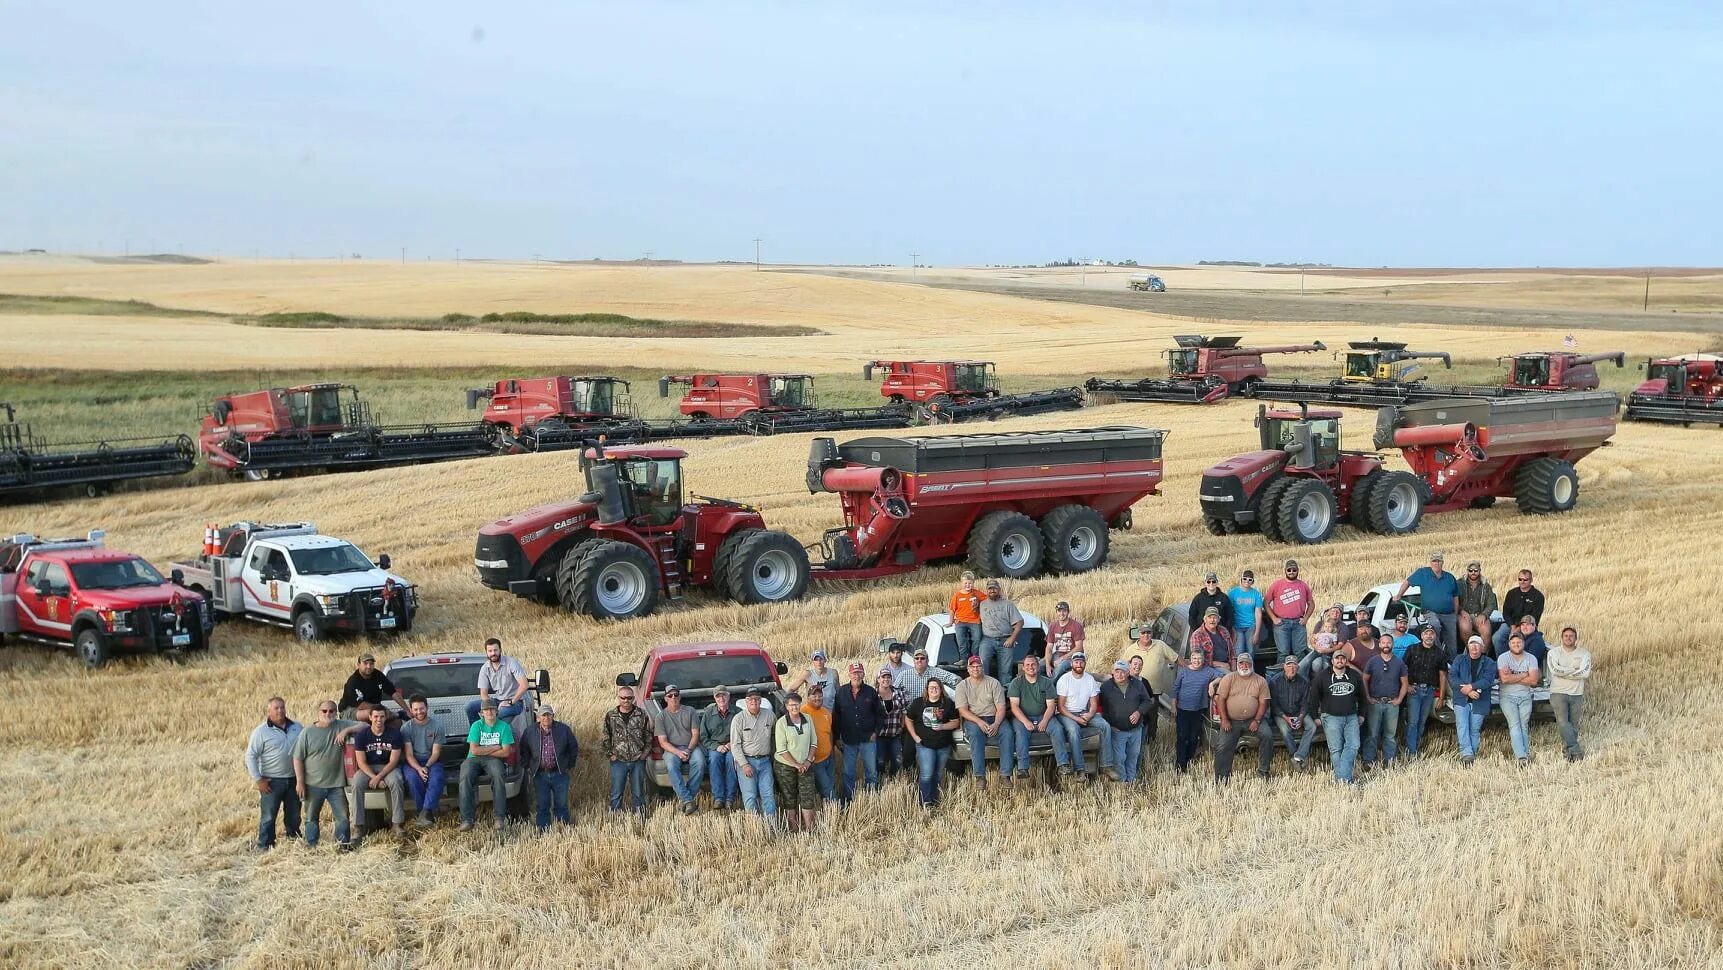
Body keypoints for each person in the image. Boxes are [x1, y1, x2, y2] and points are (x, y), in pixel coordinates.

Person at [291, 700, 363, 850]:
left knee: (343, 817)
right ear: (318, 713)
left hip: (336, 784)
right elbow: (297, 758)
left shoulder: (341, 725)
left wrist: (346, 731)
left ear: (336, 713)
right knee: (311, 818)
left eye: (331, 711)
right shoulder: (307, 732)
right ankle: (312, 845)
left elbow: (366, 726)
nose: (328, 714)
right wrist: (300, 781)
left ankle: (342, 845)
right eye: (324, 711)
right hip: (313, 784)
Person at [245, 696, 303, 851]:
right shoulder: (261, 732)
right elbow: (250, 756)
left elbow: (305, 750)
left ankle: (294, 840)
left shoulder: (297, 728)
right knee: (269, 816)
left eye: (282, 707)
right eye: (276, 708)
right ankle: (265, 845)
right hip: (272, 781)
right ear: (268, 711)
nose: (280, 711)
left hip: (294, 779)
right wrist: (258, 780)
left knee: (294, 814)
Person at [350, 704, 407, 839]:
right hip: (368, 768)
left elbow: (393, 761)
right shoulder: (362, 736)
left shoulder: (394, 734)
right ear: (370, 717)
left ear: (386, 717)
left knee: (397, 781)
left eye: (382, 716)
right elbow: (361, 762)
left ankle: (397, 824)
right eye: (375, 716)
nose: (378, 720)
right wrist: (373, 777)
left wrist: (380, 776)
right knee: (357, 783)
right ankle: (358, 827)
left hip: (388, 767)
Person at [1212, 653, 1272, 782]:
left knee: (1267, 735)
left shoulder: (1260, 680)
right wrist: (1225, 719)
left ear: (1252, 664)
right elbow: (1220, 700)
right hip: (1231, 720)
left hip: (1253, 719)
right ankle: (1222, 778)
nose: (1244, 666)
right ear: (1237, 664)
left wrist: (1257, 720)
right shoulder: (1229, 678)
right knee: (1222, 746)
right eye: (1241, 663)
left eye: (1247, 663)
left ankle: (1263, 772)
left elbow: (1264, 703)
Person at [1310, 648, 1366, 784]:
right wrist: (1315, 716)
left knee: (1353, 745)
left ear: (1346, 661)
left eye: (1342, 658)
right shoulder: (1322, 676)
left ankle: (1342, 778)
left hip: (1351, 716)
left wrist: (1362, 714)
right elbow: (1313, 697)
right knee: (1336, 749)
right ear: (1332, 661)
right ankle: (1344, 780)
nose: (1340, 660)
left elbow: (1363, 696)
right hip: (1331, 717)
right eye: (1337, 658)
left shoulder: (1354, 675)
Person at [518, 705, 578, 831]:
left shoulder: (563, 729)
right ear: (538, 717)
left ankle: (563, 827)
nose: (546, 717)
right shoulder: (529, 731)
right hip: (540, 774)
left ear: (553, 716)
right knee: (542, 804)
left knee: (561, 803)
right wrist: (528, 766)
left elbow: (573, 747)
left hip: (559, 773)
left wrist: (569, 764)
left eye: (548, 714)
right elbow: (523, 750)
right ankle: (543, 829)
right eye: (543, 715)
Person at [458, 699, 516, 831]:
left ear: (496, 711)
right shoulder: (476, 726)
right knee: (465, 777)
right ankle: (467, 819)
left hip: (493, 759)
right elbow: (474, 750)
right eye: (486, 710)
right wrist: (495, 747)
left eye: (492, 709)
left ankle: (499, 818)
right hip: (473, 759)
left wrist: (485, 749)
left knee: (498, 776)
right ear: (481, 713)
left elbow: (506, 752)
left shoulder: (504, 727)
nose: (489, 712)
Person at [955, 655, 1012, 785]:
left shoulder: (993, 683)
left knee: (1007, 734)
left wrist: (997, 723)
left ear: (983, 667)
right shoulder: (962, 686)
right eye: (972, 666)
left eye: (978, 666)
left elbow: (1001, 707)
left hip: (994, 716)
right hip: (973, 718)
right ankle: (980, 776)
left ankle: (1005, 775)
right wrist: (979, 722)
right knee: (975, 735)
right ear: (968, 669)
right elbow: (963, 710)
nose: (976, 669)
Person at [1054, 653, 1112, 777]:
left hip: (1083, 713)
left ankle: (1106, 765)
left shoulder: (1089, 679)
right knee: (1074, 730)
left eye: (1081, 662)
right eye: (1076, 662)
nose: (1079, 664)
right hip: (1066, 714)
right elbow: (1061, 707)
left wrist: (1090, 714)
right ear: (1071, 664)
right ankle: (1079, 768)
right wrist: (1077, 719)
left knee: (1105, 726)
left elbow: (1094, 703)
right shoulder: (1064, 679)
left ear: (1085, 663)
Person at [833, 663, 884, 801]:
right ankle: (848, 799)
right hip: (849, 740)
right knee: (848, 772)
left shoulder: (871, 692)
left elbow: (880, 714)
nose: (857, 676)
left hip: (868, 738)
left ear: (864, 674)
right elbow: (836, 716)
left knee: (871, 772)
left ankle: (871, 797)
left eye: (859, 673)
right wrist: (837, 737)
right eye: (854, 673)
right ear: (849, 675)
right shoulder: (841, 692)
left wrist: (876, 732)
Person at [905, 679, 960, 807]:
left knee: (938, 774)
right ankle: (925, 802)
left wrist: (943, 727)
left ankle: (934, 801)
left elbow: (956, 722)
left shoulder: (947, 703)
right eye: (931, 687)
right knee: (927, 773)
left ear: (941, 689)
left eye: (937, 687)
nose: (934, 689)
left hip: (943, 745)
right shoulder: (919, 703)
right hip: (925, 745)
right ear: (927, 689)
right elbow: (908, 719)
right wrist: (915, 737)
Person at [600, 687, 652, 817]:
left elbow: (648, 736)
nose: (626, 700)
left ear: (633, 699)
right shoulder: (611, 715)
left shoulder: (642, 714)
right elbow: (606, 737)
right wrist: (610, 754)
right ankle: (615, 815)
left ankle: (640, 814)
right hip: (618, 760)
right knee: (616, 791)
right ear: (618, 698)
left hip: (637, 759)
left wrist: (644, 754)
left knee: (638, 790)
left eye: (629, 698)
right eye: (623, 698)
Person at [1099, 659, 1152, 783]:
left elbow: (1147, 701)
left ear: (1128, 673)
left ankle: (1131, 780)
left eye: (1123, 672)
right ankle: (1122, 782)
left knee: (1133, 756)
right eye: (1117, 671)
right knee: (1119, 758)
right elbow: (1100, 707)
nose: (1119, 674)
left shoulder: (1138, 685)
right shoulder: (1106, 687)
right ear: (1112, 672)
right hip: (1116, 730)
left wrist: (1138, 712)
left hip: (1136, 729)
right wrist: (1109, 724)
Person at [1396, 551, 1459, 654]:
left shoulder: (1450, 577)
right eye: (1434, 561)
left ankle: (1452, 663)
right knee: (1435, 625)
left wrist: (1455, 614)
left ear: (1442, 563)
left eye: (1438, 561)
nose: (1436, 563)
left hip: (1449, 614)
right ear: (1430, 562)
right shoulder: (1422, 573)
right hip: (1430, 612)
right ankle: (1437, 655)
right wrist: (1399, 595)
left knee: (1452, 641)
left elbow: (1455, 597)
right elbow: (1407, 582)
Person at [1171, 651, 1223, 773]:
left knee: (1194, 737)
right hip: (1183, 709)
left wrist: (1212, 684)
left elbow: (1222, 676)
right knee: (1182, 737)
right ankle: (1180, 765)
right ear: (1191, 659)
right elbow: (1175, 688)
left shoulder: (1208, 671)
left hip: (1198, 710)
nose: (1197, 661)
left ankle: (1189, 760)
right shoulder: (1184, 671)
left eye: (1199, 658)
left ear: (1203, 659)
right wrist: (1173, 706)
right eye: (1194, 658)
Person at [1361, 634, 1409, 770]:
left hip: (1391, 703)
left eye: (1389, 642)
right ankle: (1369, 760)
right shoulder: (1372, 661)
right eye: (1383, 642)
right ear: (1379, 645)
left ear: (1392, 645)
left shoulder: (1399, 662)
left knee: (1390, 735)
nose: (1386, 645)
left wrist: (1399, 699)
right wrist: (1368, 697)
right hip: (1375, 703)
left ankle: (1389, 760)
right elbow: (1364, 679)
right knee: (1372, 733)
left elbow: (1405, 683)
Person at [1006, 655, 1057, 781]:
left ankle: (1063, 764)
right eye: (1027, 665)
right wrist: (1026, 722)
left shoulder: (1046, 682)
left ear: (1038, 667)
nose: (1031, 667)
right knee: (1021, 732)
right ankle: (1023, 768)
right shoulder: (1016, 683)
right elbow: (1014, 707)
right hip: (1022, 717)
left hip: (1042, 715)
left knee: (1058, 729)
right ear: (1023, 668)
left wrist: (1044, 721)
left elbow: (1051, 706)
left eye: (1033, 664)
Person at [1401, 624, 1448, 758]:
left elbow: (1442, 676)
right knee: (1413, 721)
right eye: (1426, 633)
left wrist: (1441, 697)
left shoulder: (1440, 653)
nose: (1429, 636)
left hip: (1430, 691)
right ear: (1421, 636)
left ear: (1435, 636)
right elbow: (1403, 669)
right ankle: (1411, 752)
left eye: (1431, 633)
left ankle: (1414, 747)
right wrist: (1407, 685)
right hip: (1414, 691)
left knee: (1422, 722)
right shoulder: (1412, 649)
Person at [730, 687, 778, 820]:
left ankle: (772, 826)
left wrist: (775, 758)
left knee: (768, 795)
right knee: (750, 796)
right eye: (751, 699)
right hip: (747, 761)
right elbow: (735, 745)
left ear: (760, 701)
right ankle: (755, 826)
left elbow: (775, 737)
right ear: (746, 701)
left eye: (757, 699)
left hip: (765, 761)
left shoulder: (769, 715)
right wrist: (744, 765)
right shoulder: (738, 719)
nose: (754, 702)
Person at [654, 684, 703, 815]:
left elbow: (695, 735)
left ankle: (687, 800)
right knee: (671, 765)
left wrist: (688, 750)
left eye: (676, 695)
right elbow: (663, 742)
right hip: (672, 749)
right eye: (670, 695)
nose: (673, 697)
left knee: (700, 762)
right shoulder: (661, 717)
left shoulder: (690, 711)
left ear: (680, 696)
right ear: (665, 698)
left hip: (690, 746)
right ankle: (688, 799)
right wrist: (678, 752)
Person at [774, 692, 820, 830]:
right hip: (785, 766)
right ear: (787, 707)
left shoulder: (808, 718)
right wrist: (796, 765)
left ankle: (809, 828)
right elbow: (781, 749)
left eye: (797, 704)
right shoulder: (781, 723)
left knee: (807, 795)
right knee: (790, 796)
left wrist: (807, 761)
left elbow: (814, 742)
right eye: (791, 705)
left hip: (806, 765)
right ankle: (793, 828)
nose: (795, 707)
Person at [1546, 626, 1592, 762]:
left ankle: (1568, 753)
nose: (1568, 638)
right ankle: (1576, 750)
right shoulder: (1554, 653)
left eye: (1571, 636)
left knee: (1573, 724)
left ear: (1576, 638)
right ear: (1562, 638)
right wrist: (1574, 670)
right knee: (1562, 722)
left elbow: (1585, 673)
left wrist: (1564, 671)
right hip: (1558, 692)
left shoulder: (1584, 654)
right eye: (1566, 636)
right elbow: (1555, 671)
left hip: (1577, 693)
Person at [1449, 635, 1497, 765]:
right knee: (1462, 726)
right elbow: (1452, 677)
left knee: (1474, 729)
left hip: (1480, 700)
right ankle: (1467, 754)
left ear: (1482, 647)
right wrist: (1468, 691)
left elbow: (1488, 680)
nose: (1474, 647)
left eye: (1477, 644)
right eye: (1472, 644)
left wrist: (1472, 686)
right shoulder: (1459, 659)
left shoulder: (1489, 662)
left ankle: (1472, 753)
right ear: (1468, 646)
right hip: (1462, 698)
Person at [400, 695, 446, 825]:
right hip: (412, 762)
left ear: (427, 708)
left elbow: (436, 752)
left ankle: (426, 812)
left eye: (422, 708)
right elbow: (408, 754)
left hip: (431, 760)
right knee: (413, 779)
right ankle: (424, 812)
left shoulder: (437, 726)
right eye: (416, 709)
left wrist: (426, 766)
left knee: (437, 778)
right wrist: (419, 769)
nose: (419, 712)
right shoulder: (406, 728)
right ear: (411, 710)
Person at [1265, 656, 1316, 773]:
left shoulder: (1304, 682)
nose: (1291, 669)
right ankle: (1295, 755)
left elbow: (1305, 703)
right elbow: (1274, 704)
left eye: (1294, 666)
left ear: (1298, 668)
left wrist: (1301, 717)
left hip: (1298, 713)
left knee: (1312, 727)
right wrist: (1285, 718)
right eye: (1289, 665)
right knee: (1285, 730)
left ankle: (1298, 756)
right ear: (1284, 667)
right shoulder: (1274, 682)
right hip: (1281, 714)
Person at [1497, 633, 1541, 765]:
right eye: (1513, 642)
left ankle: (1525, 753)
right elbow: (1505, 679)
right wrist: (1524, 674)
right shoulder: (1503, 658)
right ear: (1509, 644)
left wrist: (1514, 676)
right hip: (1507, 697)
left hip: (1525, 697)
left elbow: (1533, 681)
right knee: (1515, 725)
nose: (1516, 645)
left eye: (1519, 642)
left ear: (1523, 643)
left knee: (1523, 725)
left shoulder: (1531, 658)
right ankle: (1521, 757)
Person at [466, 638, 529, 725]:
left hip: (515, 702)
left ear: (500, 650)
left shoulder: (511, 663)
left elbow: (524, 685)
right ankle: (478, 731)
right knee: (470, 707)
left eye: (495, 650)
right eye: (490, 651)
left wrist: (510, 702)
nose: (493, 653)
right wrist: (488, 707)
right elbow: (483, 693)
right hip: (497, 701)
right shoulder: (485, 668)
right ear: (486, 652)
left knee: (499, 713)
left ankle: (491, 731)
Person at [1265, 558, 1315, 664]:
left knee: (1300, 653)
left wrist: (1306, 618)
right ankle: (1280, 678)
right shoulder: (1276, 585)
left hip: (1298, 623)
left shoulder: (1303, 585)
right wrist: (1274, 618)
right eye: (1289, 570)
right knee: (1283, 653)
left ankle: (1301, 678)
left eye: (1294, 570)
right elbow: (1266, 602)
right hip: (1281, 624)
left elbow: (1311, 604)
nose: (1291, 572)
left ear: (1297, 571)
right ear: (1285, 571)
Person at [699, 687, 740, 809]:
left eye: (723, 696)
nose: (721, 699)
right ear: (714, 698)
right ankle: (719, 798)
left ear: (729, 696)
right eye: (718, 696)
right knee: (714, 761)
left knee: (731, 761)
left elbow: (743, 733)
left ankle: (730, 798)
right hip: (715, 747)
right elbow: (703, 737)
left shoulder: (738, 712)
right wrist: (717, 747)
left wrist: (731, 745)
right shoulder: (708, 714)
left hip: (733, 745)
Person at [977, 579, 1024, 684]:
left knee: (1005, 672)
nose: (992, 590)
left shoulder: (1008, 604)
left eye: (994, 588)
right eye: (990, 588)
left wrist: (1012, 638)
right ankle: (986, 691)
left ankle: (1005, 694)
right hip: (987, 640)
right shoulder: (981, 604)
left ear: (999, 590)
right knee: (982, 667)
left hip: (1005, 641)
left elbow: (1020, 622)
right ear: (986, 591)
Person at [1495, 569, 1545, 653]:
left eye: (1525, 580)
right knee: (1497, 638)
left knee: (1521, 642)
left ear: (1531, 580)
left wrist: (1519, 628)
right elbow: (1506, 612)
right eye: (1520, 579)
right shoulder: (1511, 593)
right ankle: (1503, 661)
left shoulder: (1538, 596)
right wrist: (1512, 626)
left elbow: (1535, 617)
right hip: (1510, 624)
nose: (1522, 582)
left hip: (1527, 627)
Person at [340, 653, 404, 718]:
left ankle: (400, 715)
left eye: (371, 664)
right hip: (351, 710)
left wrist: (407, 710)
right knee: (374, 713)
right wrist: (381, 708)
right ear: (358, 665)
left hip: (374, 708)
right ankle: (396, 715)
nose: (369, 666)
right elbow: (359, 705)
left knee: (396, 721)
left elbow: (393, 692)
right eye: (365, 663)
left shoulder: (378, 675)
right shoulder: (353, 681)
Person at [802, 686, 838, 802]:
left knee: (830, 786)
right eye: (814, 695)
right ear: (808, 697)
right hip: (816, 761)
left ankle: (828, 811)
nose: (817, 698)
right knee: (827, 789)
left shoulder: (826, 713)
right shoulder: (803, 712)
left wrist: (832, 750)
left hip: (829, 757)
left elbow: (829, 732)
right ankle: (838, 811)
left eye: (819, 695)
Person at [873, 671, 909, 783]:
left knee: (897, 760)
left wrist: (902, 726)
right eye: (883, 677)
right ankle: (880, 783)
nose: (886, 679)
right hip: (879, 735)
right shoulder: (873, 694)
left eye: (888, 677)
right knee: (880, 761)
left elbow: (904, 712)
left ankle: (894, 782)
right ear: (878, 679)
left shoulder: (898, 693)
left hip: (895, 734)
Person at [1457, 561, 1498, 648]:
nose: (1473, 573)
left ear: (1479, 571)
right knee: (1465, 627)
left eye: (1475, 570)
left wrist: (1484, 615)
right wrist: (1461, 611)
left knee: (1486, 631)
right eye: (1470, 570)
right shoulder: (1459, 583)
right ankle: (1470, 651)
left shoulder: (1485, 586)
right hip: (1464, 614)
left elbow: (1491, 603)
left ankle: (1483, 654)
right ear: (1467, 571)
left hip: (1479, 614)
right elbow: (1455, 601)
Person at [949, 570, 985, 664]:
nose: (968, 585)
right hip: (960, 622)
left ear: (973, 583)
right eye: (965, 583)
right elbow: (952, 609)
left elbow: (987, 601)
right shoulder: (957, 595)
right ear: (962, 583)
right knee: (961, 641)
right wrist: (950, 621)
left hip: (975, 621)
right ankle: (964, 659)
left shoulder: (977, 593)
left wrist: (979, 604)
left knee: (977, 640)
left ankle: (974, 658)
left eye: (970, 583)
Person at [1228, 570, 1266, 656]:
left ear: (1253, 581)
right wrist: (1232, 629)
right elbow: (1229, 612)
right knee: (1239, 651)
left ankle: (1251, 669)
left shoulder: (1256, 594)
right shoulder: (1232, 593)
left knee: (1251, 651)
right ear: (1241, 579)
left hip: (1251, 626)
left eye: (1250, 580)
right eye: (1244, 579)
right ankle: (1239, 669)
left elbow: (1258, 614)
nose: (1247, 581)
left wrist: (1257, 633)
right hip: (1237, 627)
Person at [1045, 600, 1085, 681]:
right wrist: (1047, 665)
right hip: (1057, 655)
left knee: (1060, 668)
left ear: (1068, 612)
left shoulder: (1076, 626)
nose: (1062, 613)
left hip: (1072, 657)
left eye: (1064, 611)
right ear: (1056, 612)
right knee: (1037, 665)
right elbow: (1049, 647)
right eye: (1059, 611)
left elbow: (1079, 648)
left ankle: (1049, 689)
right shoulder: (1053, 626)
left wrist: (1062, 659)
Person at [1189, 606, 1237, 670]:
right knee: (1228, 677)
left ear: (1218, 619)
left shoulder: (1224, 630)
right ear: (1205, 619)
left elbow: (1232, 652)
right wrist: (1219, 664)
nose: (1212, 620)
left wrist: (1234, 666)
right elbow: (1196, 660)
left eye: (1215, 617)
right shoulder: (1197, 635)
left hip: (1228, 664)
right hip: (1209, 668)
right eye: (1210, 617)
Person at [1188, 571, 1233, 635]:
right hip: (1203, 635)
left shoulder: (1224, 598)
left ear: (1217, 582)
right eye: (1208, 581)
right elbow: (1191, 616)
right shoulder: (1198, 598)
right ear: (1205, 583)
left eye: (1213, 581)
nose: (1211, 583)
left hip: (1220, 634)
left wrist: (1226, 631)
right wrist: (1197, 631)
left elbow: (1230, 616)